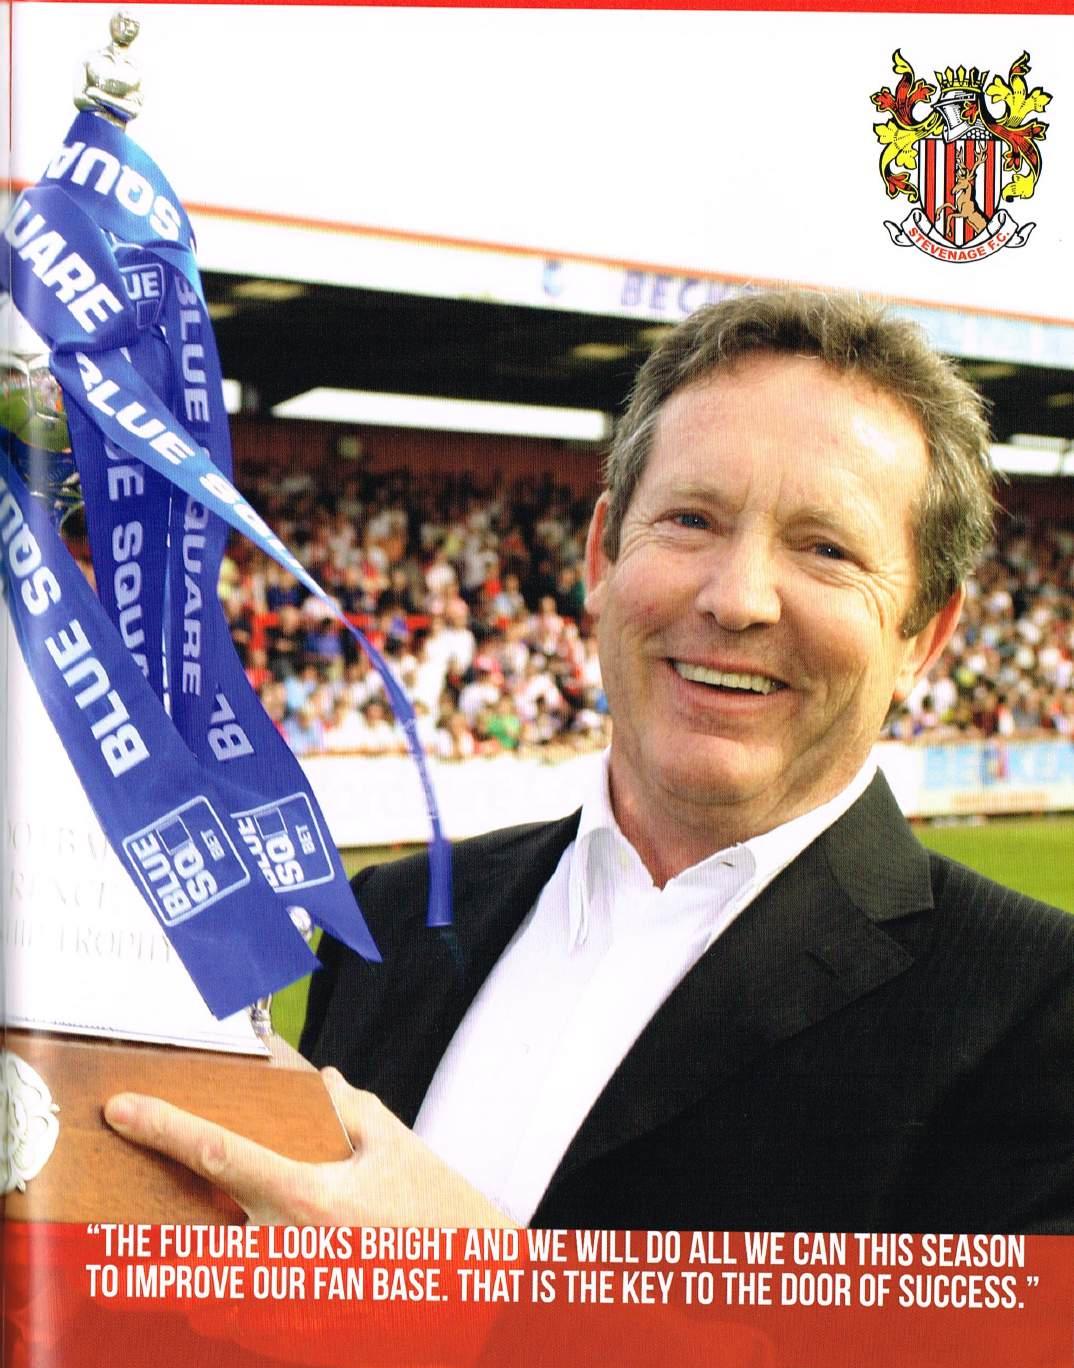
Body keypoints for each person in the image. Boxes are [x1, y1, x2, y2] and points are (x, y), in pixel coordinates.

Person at [105, 288, 1074, 1230]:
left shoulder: (1035, 1010)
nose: (738, 598)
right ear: (602, 555)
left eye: (826, 549)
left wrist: (475, 1286)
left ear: (923, 636)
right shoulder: (392, 922)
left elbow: (977, 1361)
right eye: (692, 520)